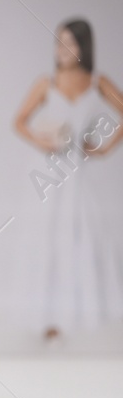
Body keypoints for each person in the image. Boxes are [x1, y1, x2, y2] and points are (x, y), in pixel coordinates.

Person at [12, 17, 123, 345]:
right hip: (46, 176)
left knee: (79, 240)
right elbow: (19, 121)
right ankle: (46, 320)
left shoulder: (96, 82)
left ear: (83, 47)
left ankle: (77, 314)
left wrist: (103, 149)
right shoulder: (45, 83)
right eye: (58, 41)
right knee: (45, 240)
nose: (61, 49)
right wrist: (42, 141)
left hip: (75, 175)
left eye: (69, 43)